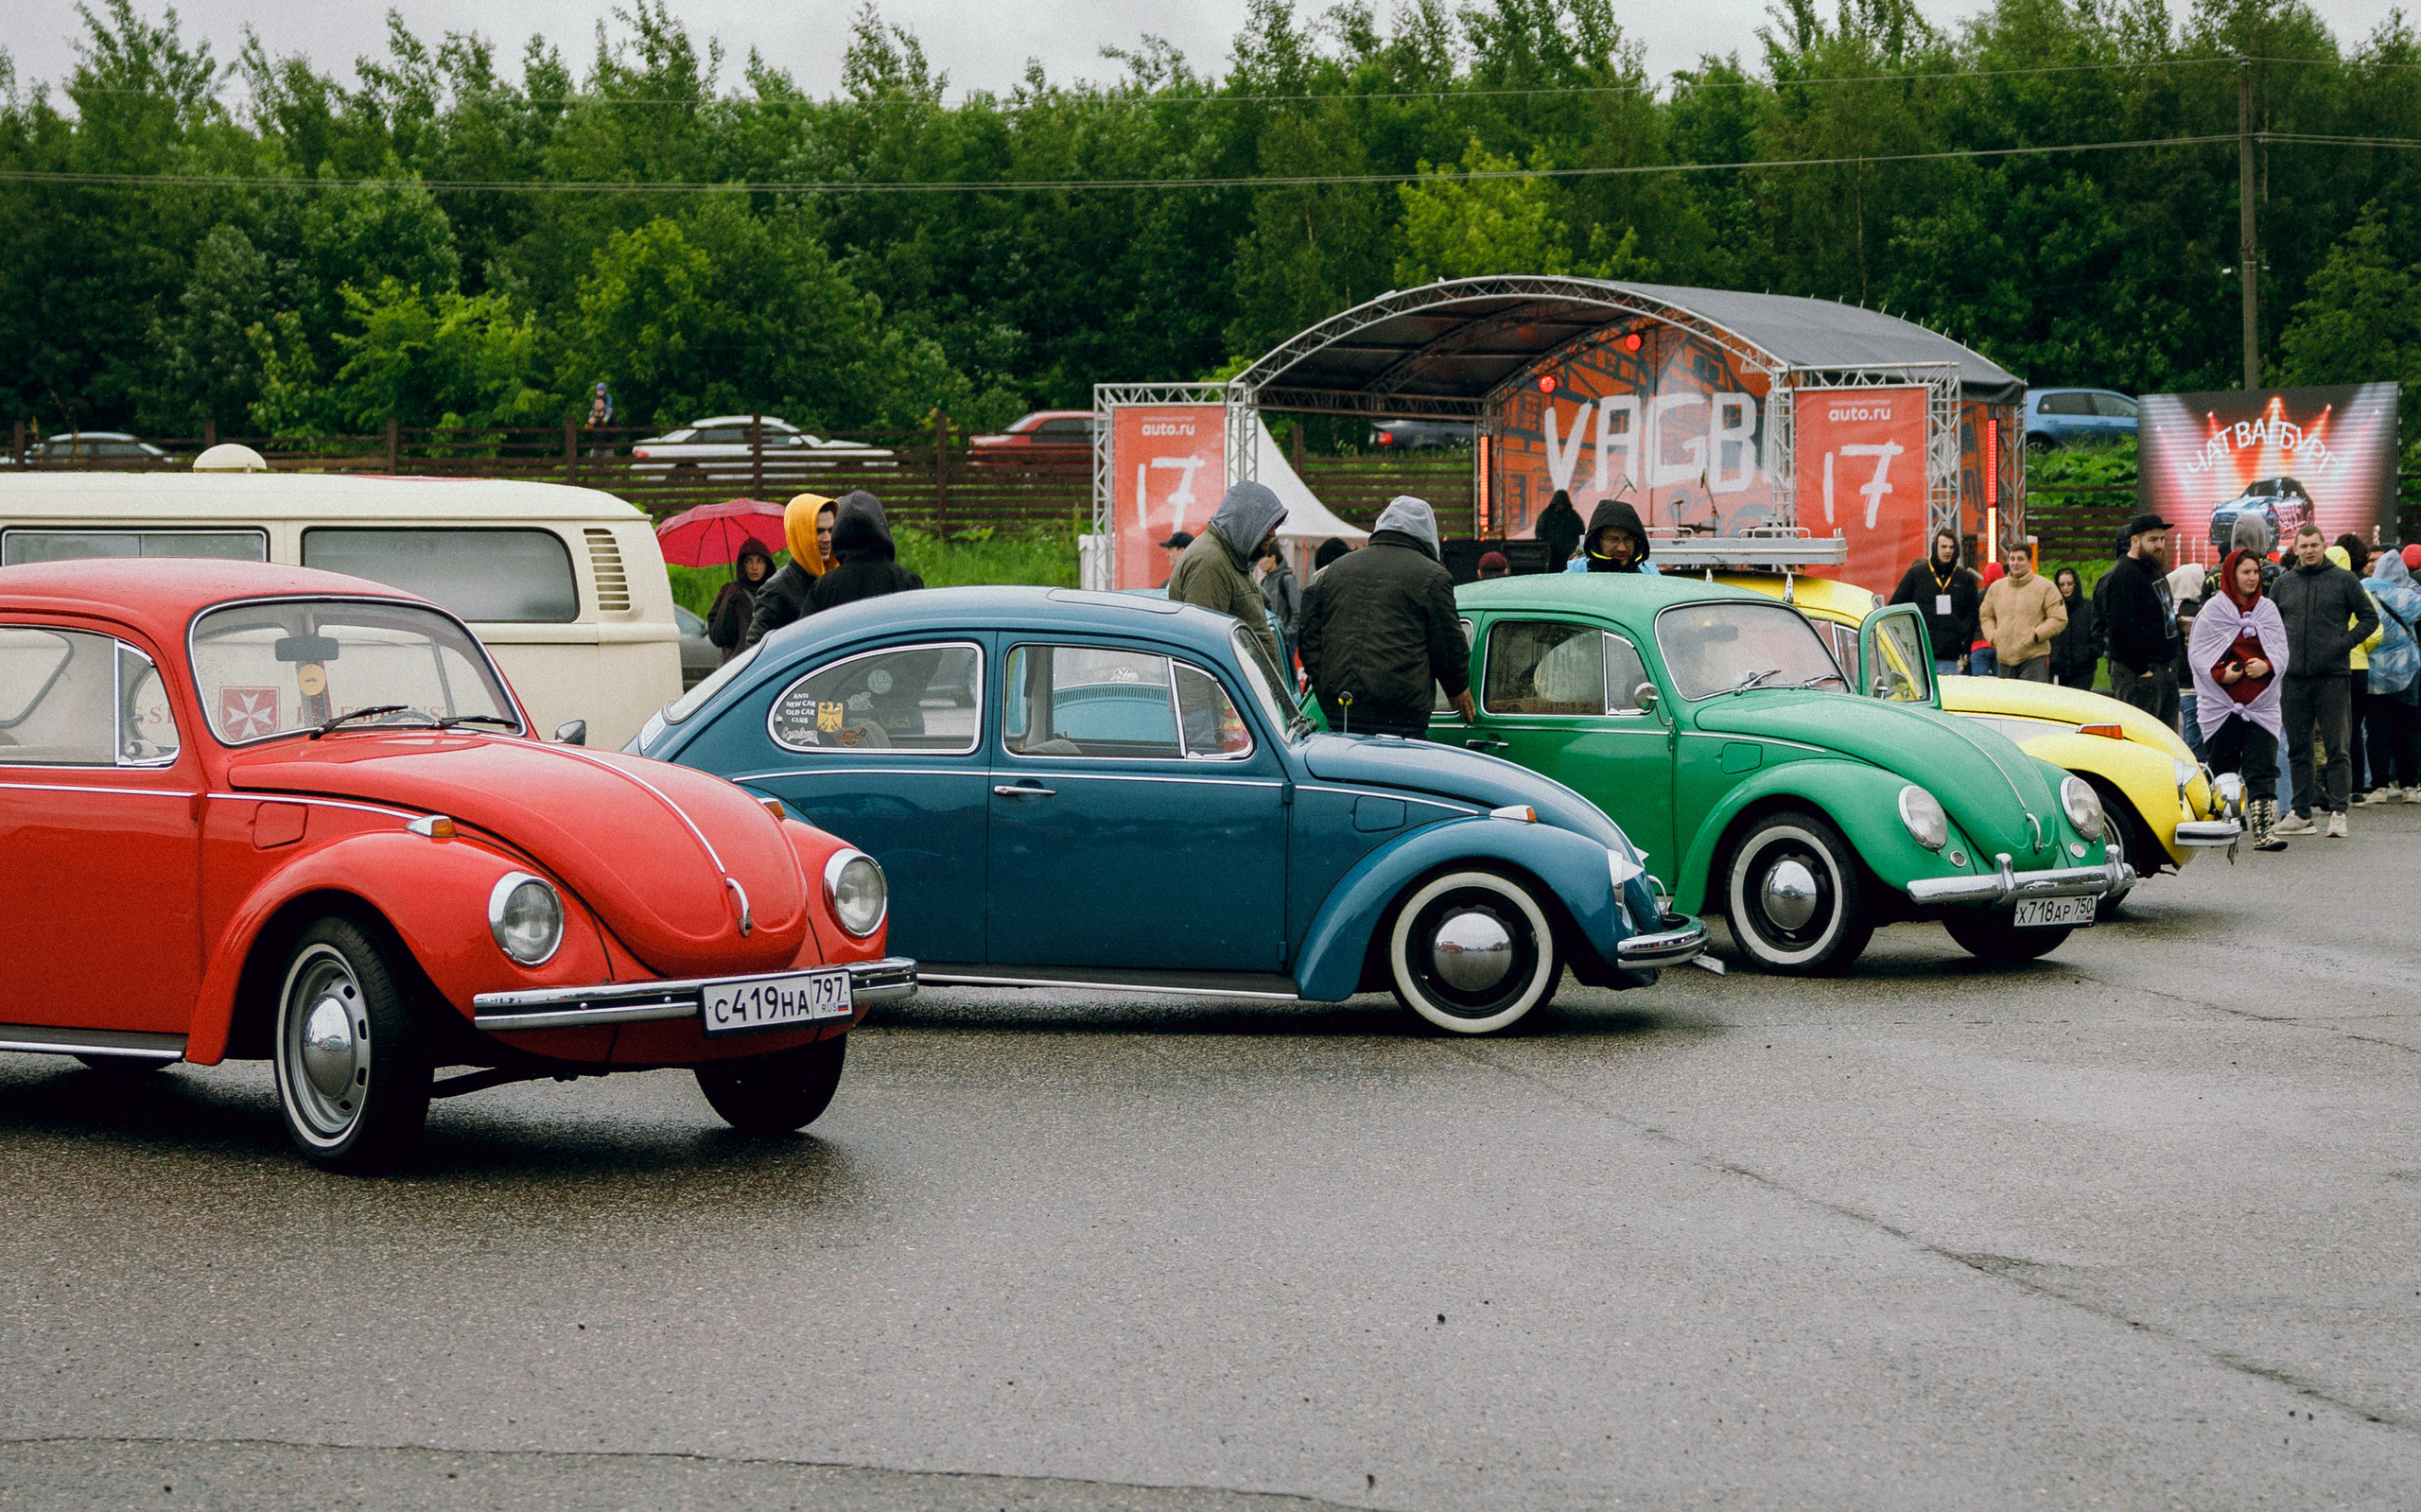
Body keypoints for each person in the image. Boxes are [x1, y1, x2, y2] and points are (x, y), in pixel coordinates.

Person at [1298, 495, 1475, 739]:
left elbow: (1309, 635)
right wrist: (1457, 688)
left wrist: (1325, 686)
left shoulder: (1336, 571)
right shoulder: (1433, 577)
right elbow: (1448, 645)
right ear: (1428, 533)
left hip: (1343, 712)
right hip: (1401, 719)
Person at [2269, 524, 2377, 838]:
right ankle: (2301, 813)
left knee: (2337, 747)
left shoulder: (2344, 580)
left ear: (2323, 545)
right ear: (2296, 549)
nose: (2309, 551)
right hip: (2293, 678)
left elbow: (2370, 618)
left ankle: (2339, 812)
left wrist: (2342, 644)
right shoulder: (2284, 583)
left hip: (2333, 676)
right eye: (2303, 546)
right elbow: (2270, 625)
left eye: (2314, 545)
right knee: (2298, 747)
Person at [2192, 548, 2291, 851]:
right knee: (2224, 766)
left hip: (2261, 705)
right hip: (2221, 706)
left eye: (2256, 572)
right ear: (2231, 574)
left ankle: (2264, 831)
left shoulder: (2268, 610)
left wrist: (2268, 665)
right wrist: (2223, 674)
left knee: (2262, 766)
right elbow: (2198, 653)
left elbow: (2281, 650)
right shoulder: (2213, 610)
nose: (2252, 577)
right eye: (2245, 572)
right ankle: (2225, 827)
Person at [1167, 481, 1287, 664]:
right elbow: (1205, 650)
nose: (1272, 534)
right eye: (1267, 525)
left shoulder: (1229, 558)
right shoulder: (1209, 562)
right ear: (1246, 520)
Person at [2094, 513, 2181, 726]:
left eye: (2162, 539)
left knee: (2167, 742)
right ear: (2135, 541)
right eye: (2152, 540)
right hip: (2139, 675)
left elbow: (2154, 614)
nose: (2159, 545)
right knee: (2144, 741)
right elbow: (2121, 629)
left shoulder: (2152, 569)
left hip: (2164, 669)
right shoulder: (2125, 576)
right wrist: (2143, 672)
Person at [2360, 549, 2421, 802]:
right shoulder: (2409, 596)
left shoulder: (2364, 591)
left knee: (2376, 730)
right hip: (2406, 671)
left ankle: (2379, 786)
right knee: (2407, 730)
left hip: (2373, 672)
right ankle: (2409, 786)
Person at [741, 492, 835, 649]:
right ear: (800, 533)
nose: (827, 539)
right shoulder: (776, 590)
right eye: (819, 531)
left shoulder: (833, 579)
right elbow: (756, 650)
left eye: (831, 530)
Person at [810, 491, 924, 612]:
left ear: (839, 531)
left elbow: (808, 628)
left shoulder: (824, 588)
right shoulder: (907, 581)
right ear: (880, 526)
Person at [2330, 543, 2383, 801]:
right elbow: (2377, 629)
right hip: (2359, 667)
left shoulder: (2323, 590)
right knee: (2355, 729)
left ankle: (2334, 786)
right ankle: (2357, 787)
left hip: (2331, 669)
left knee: (2332, 728)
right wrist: (2359, 646)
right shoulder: (2359, 589)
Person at [1889, 530, 1982, 677]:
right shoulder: (1916, 574)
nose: (1947, 551)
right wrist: (1907, 637)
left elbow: (1972, 613)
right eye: (1943, 546)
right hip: (1918, 655)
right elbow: (1895, 607)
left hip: (1949, 656)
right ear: (1935, 547)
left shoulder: (1966, 579)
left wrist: (1960, 630)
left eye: (1951, 547)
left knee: (1948, 698)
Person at [1978, 545, 2064, 682]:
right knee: (2007, 703)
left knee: (2031, 701)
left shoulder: (2045, 587)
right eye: (2012, 559)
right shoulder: (1996, 588)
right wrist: (1993, 636)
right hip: (2004, 659)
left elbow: (2059, 618)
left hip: (2034, 658)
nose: (2015, 563)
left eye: (2020, 559)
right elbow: (1986, 615)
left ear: (2030, 562)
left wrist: (2037, 635)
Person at [707, 537, 775, 665]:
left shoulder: (774, 592)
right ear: (742, 564)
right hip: (737, 666)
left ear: (767, 564)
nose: (754, 567)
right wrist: (729, 601)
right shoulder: (729, 591)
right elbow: (717, 637)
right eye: (749, 561)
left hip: (767, 662)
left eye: (759, 561)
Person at [2168, 562, 2208, 759]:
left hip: (2183, 683)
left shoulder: (2179, 613)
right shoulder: (2194, 611)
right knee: (2195, 740)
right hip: (2192, 684)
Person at [1563, 499, 1657, 573]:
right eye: (1613, 539)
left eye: (1628, 539)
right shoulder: (1574, 578)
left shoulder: (1651, 578)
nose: (1622, 548)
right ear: (1596, 541)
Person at [2047, 566, 2098, 687]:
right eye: (2062, 584)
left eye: (2069, 584)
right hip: (2057, 669)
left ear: (2076, 584)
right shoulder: (2051, 608)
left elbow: (2098, 632)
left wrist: (2091, 652)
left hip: (2083, 670)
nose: (2066, 588)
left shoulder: (2089, 607)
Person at [1256, 539, 1303, 666]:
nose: (1259, 563)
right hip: (1271, 639)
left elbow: (1297, 610)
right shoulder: (1265, 581)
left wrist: (1286, 633)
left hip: (1286, 640)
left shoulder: (1287, 579)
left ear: (1272, 558)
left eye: (1262, 558)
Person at [1968, 561, 2004, 676]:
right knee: (2001, 687)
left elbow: (1971, 623)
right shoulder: (2006, 596)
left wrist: (1966, 648)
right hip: (2001, 646)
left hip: (1979, 644)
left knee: (1979, 688)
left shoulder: (1978, 597)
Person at [1536, 489, 1583, 572]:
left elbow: (1580, 532)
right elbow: (1540, 531)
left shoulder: (1572, 516)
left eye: (1562, 504)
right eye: (1559, 504)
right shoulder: (1547, 515)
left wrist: (1574, 547)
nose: (1560, 506)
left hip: (1568, 552)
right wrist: (1544, 545)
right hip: (1551, 552)